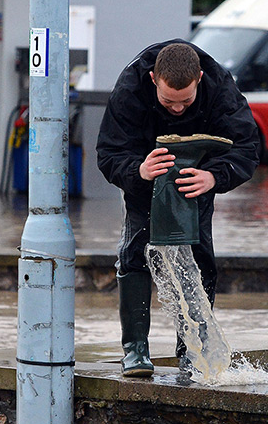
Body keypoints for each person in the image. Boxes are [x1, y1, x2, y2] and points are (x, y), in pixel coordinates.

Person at [96, 39, 259, 377]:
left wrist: (215, 177)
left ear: (199, 78)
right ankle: (135, 350)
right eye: (168, 101)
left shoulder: (220, 89)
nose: (178, 109)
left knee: (201, 259)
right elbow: (108, 153)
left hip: (197, 182)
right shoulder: (130, 89)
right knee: (134, 254)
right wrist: (138, 171)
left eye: (186, 100)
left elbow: (247, 148)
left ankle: (192, 353)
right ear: (154, 79)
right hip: (144, 180)